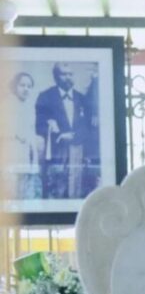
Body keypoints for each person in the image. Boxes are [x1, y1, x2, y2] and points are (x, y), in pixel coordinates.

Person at [35, 62, 90, 199]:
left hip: (78, 148)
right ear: (56, 77)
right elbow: (39, 125)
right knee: (56, 187)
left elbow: (89, 126)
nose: (68, 77)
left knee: (75, 187)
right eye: (64, 74)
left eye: (70, 74)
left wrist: (74, 136)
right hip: (55, 149)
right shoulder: (45, 96)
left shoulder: (82, 98)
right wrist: (57, 133)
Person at [4, 72, 43, 199]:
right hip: (9, 153)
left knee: (23, 190)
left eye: (29, 86)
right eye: (22, 85)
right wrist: (17, 135)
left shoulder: (30, 107)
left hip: (25, 155)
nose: (26, 89)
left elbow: (31, 133)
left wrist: (35, 161)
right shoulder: (6, 105)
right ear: (15, 86)